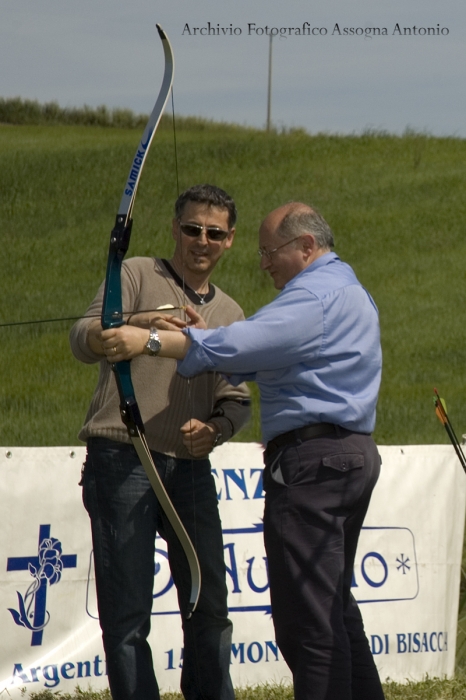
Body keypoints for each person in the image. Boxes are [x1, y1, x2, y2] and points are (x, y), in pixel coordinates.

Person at [102, 202, 385, 700]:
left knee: (308, 624)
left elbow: (244, 345)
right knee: (334, 608)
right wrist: (198, 338)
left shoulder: (314, 296)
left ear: (306, 247)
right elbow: (261, 355)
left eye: (269, 251)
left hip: (313, 465)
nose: (263, 263)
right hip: (347, 456)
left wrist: (148, 341)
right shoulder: (347, 290)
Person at [69, 184, 251, 700]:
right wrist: (130, 328)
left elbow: (236, 399)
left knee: (210, 606)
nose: (201, 240)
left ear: (230, 241)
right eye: (192, 228)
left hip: (188, 471)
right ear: (175, 228)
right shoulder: (136, 274)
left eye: (214, 233)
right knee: (127, 617)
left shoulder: (230, 313)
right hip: (122, 460)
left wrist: (215, 430)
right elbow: (85, 334)